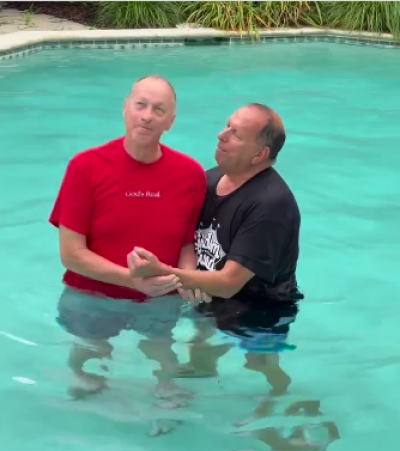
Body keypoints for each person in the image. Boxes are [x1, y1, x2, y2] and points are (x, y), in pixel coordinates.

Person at [49, 74, 207, 397]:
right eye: (141, 105)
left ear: (170, 122)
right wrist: (131, 279)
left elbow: (187, 243)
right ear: (126, 109)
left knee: (165, 362)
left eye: (159, 110)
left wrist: (189, 275)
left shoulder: (191, 175)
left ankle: (166, 400)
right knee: (86, 369)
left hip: (159, 294)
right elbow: (71, 253)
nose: (147, 115)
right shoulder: (85, 167)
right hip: (90, 295)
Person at [128, 103, 304, 393]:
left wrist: (162, 272)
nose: (221, 135)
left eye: (236, 134)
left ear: (259, 154)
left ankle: (280, 397)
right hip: (209, 292)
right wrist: (186, 273)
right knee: (194, 343)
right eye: (226, 126)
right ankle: (203, 369)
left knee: (261, 365)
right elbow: (185, 237)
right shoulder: (208, 180)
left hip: (261, 308)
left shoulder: (270, 205)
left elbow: (230, 282)